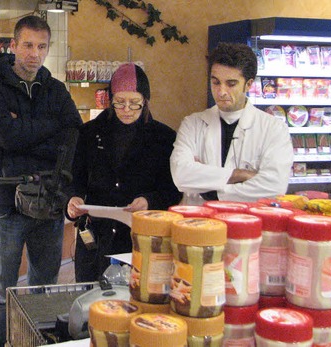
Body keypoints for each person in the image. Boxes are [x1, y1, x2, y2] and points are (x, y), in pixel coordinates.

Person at [0, 15, 82, 347]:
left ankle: (35, 343)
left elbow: (74, 132)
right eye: (27, 45)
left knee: (43, 288)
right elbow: (5, 135)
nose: (34, 53)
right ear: (13, 45)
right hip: (6, 204)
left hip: (48, 203)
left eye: (41, 46)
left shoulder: (56, 89)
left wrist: (26, 128)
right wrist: (48, 128)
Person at [66, 63, 182, 282]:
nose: (127, 109)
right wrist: (73, 199)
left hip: (142, 237)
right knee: (91, 301)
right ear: (110, 100)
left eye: (134, 103)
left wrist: (149, 200)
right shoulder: (90, 133)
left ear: (145, 101)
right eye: (119, 102)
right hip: (96, 235)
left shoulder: (163, 138)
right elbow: (75, 177)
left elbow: (172, 190)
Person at [170, 42, 293, 205]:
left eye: (231, 84)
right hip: (199, 224)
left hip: (248, 224)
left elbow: (274, 186)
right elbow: (181, 174)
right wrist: (238, 175)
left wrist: (213, 191)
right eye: (215, 82)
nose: (221, 91)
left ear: (248, 84)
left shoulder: (274, 130)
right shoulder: (192, 124)